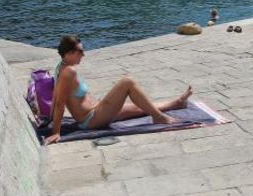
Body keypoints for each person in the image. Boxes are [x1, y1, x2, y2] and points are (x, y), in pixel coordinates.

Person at [45, 35, 192, 145]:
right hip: (92, 119)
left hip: (98, 110)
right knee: (127, 82)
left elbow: (55, 94)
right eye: (80, 51)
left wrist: (49, 118)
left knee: (140, 107)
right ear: (70, 53)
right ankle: (159, 117)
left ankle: (177, 103)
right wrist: (56, 132)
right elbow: (60, 103)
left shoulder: (60, 67)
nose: (83, 54)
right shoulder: (67, 72)